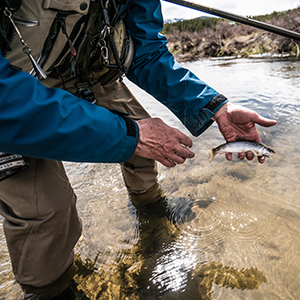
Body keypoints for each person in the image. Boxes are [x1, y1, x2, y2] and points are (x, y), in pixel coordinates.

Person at [0, 0, 276, 299]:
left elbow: (147, 52)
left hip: (88, 73)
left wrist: (216, 106)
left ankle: (153, 219)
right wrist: (130, 134)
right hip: (13, 88)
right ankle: (50, 290)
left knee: (145, 156)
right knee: (47, 210)